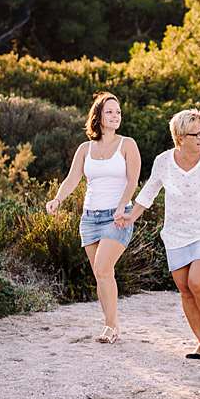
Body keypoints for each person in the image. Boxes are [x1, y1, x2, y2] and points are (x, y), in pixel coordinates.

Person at [125, 109, 200, 358]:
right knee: (185, 289)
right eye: (197, 134)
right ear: (180, 138)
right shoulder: (164, 161)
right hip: (175, 234)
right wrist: (129, 217)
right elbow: (148, 193)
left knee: (198, 282)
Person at [45, 92, 142, 344]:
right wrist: (58, 199)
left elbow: (133, 180)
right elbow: (72, 178)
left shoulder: (127, 144)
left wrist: (123, 206)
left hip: (117, 218)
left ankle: (110, 327)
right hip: (89, 218)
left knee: (103, 268)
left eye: (118, 112)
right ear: (98, 116)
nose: (116, 116)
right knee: (101, 275)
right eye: (110, 112)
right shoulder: (85, 148)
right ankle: (113, 324)